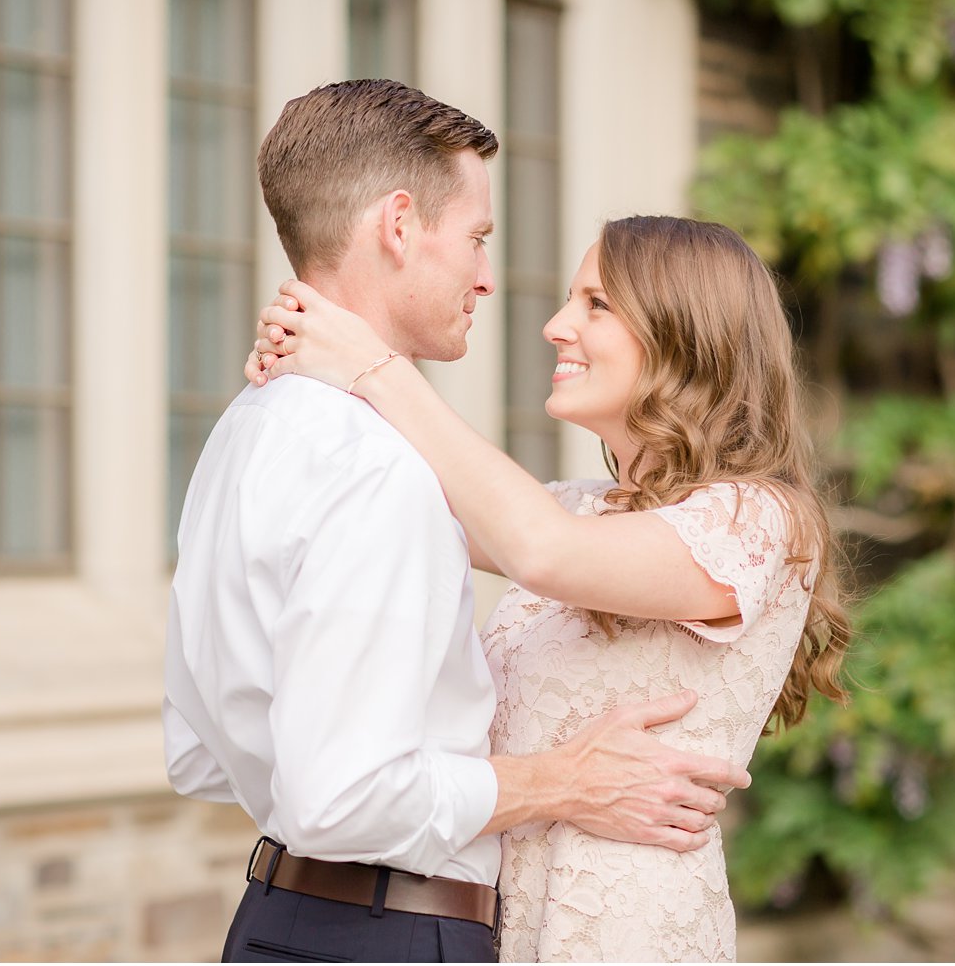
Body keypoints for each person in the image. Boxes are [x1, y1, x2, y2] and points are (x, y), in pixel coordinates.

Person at [164, 81, 751, 965]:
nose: (488, 276)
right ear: (400, 226)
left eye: (594, 306)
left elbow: (198, 755)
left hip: (280, 920)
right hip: (392, 937)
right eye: (478, 237)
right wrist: (564, 781)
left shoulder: (244, 431)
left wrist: (357, 364)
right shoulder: (376, 470)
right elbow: (341, 795)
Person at [244, 214, 855, 962]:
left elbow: (540, 549)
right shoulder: (580, 505)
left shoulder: (759, 521)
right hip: (497, 926)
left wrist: (373, 366)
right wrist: (314, 380)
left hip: (623, 933)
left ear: (686, 333)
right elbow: (394, 505)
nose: (557, 325)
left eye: (596, 304)